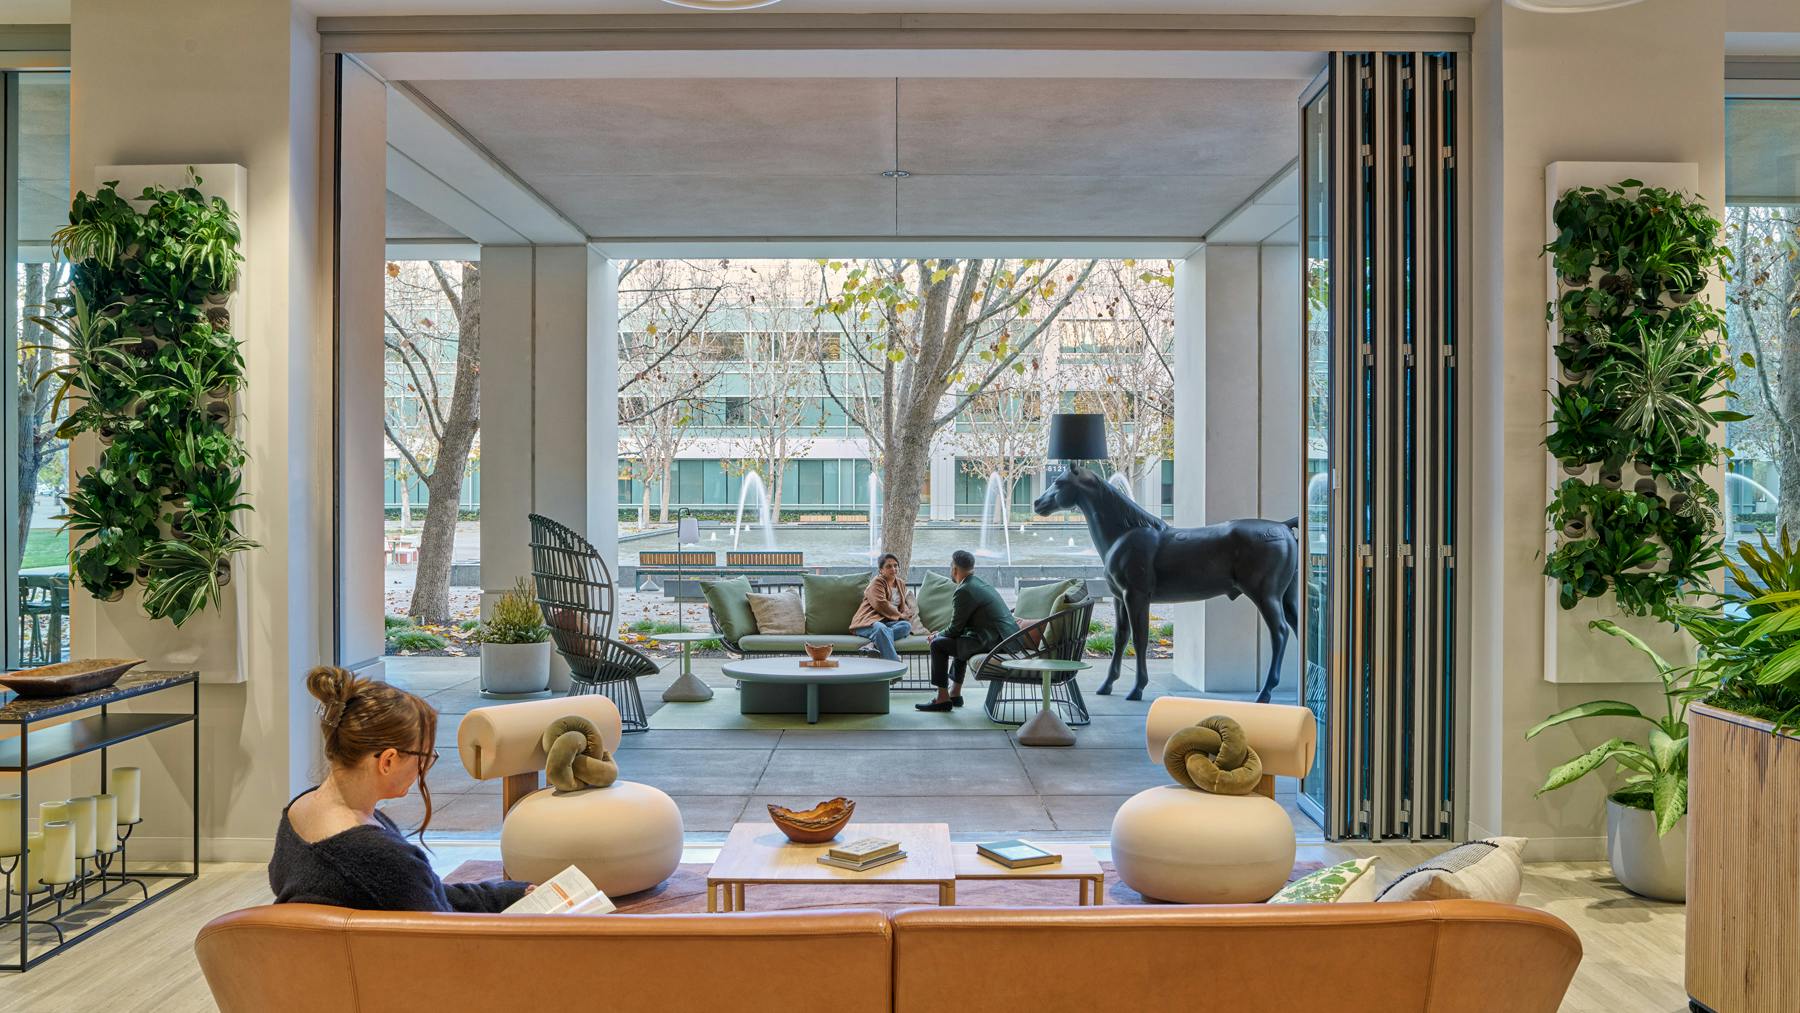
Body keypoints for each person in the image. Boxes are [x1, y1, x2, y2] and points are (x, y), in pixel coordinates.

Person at [270, 665, 529, 912]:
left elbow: (423, 892)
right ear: (388, 761)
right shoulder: (381, 857)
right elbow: (442, 930)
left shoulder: (298, 811)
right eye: (425, 756)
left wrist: (512, 895)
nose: (426, 767)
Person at [917, 549, 1019, 712]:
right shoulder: (979, 583)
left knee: (938, 644)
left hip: (994, 642)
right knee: (961, 640)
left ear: (954, 568)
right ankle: (955, 694)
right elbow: (960, 629)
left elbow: (955, 629)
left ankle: (942, 698)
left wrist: (937, 635)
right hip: (1004, 640)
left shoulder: (964, 590)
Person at [851, 552, 928, 661]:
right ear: (881, 570)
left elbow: (902, 606)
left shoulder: (900, 583)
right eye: (889, 566)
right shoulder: (877, 582)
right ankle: (895, 663)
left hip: (886, 623)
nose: (893, 569)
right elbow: (880, 604)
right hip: (867, 622)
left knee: (906, 626)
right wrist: (900, 614)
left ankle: (872, 645)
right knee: (880, 628)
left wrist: (907, 615)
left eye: (895, 565)